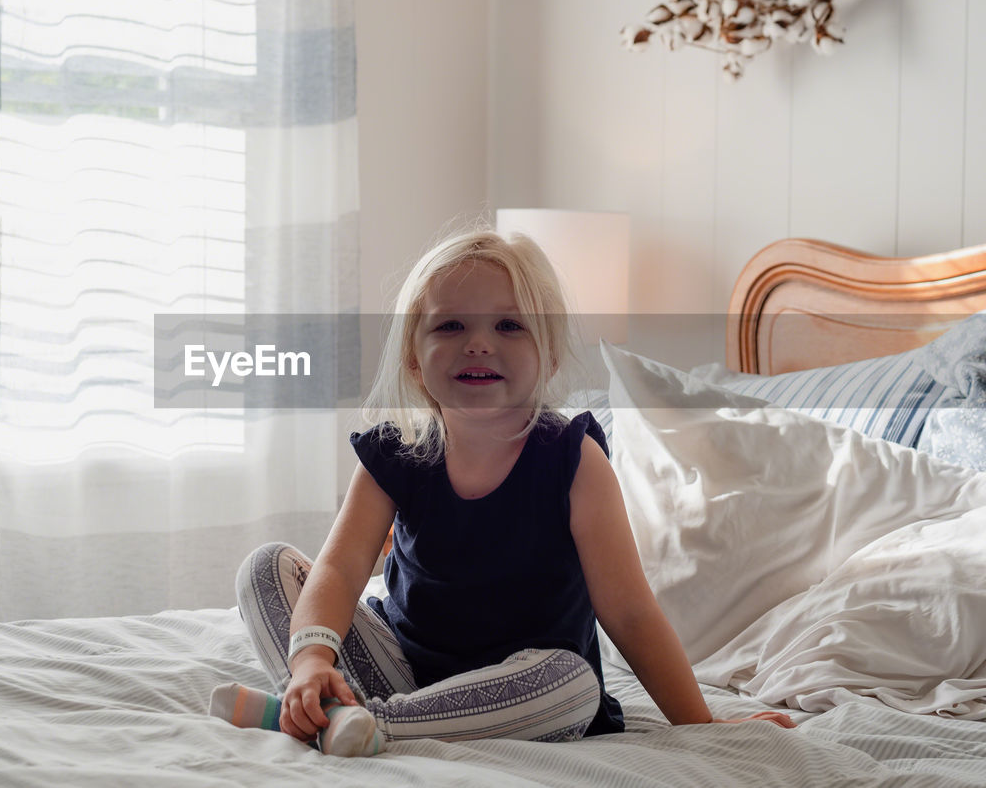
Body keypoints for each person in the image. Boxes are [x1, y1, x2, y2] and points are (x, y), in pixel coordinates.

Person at [209, 225, 795, 756]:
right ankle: (321, 706)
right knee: (266, 568)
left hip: (522, 685)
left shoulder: (573, 459)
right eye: (450, 325)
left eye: (509, 325)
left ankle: (366, 724)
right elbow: (337, 571)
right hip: (404, 669)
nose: (479, 344)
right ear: (415, 358)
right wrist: (312, 658)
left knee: (574, 685)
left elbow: (631, 613)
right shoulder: (396, 450)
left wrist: (701, 723)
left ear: (549, 353)